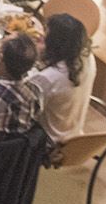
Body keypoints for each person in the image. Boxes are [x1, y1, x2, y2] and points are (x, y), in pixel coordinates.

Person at [29, 12, 96, 146]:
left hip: (47, 139)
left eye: (45, 35)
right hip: (73, 132)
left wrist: (34, 54)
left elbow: (22, 106)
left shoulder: (48, 78)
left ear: (54, 45)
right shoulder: (88, 58)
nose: (42, 35)